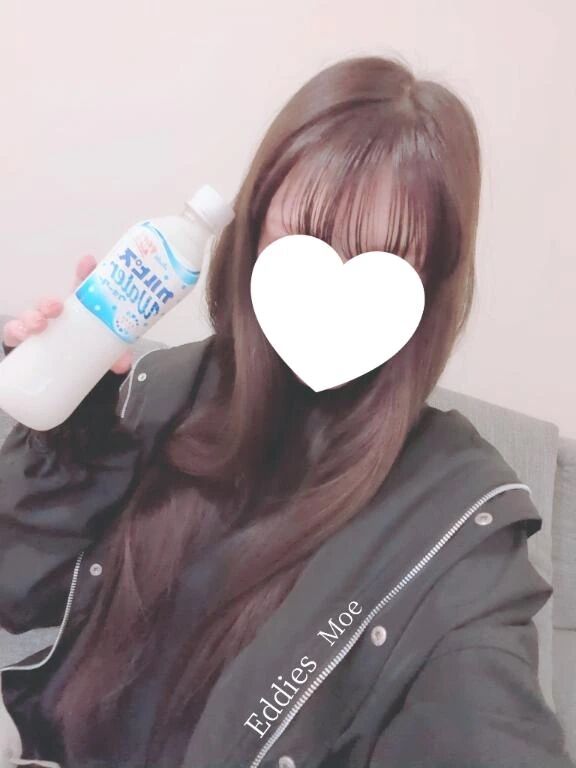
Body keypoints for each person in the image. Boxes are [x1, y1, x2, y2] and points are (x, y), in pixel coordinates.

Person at [0, 54, 574, 768]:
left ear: (428, 287)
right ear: (253, 233)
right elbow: (15, 585)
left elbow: (488, 720)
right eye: (305, 238)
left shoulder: (459, 518)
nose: (333, 283)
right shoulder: (162, 390)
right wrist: (70, 432)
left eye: (382, 260)